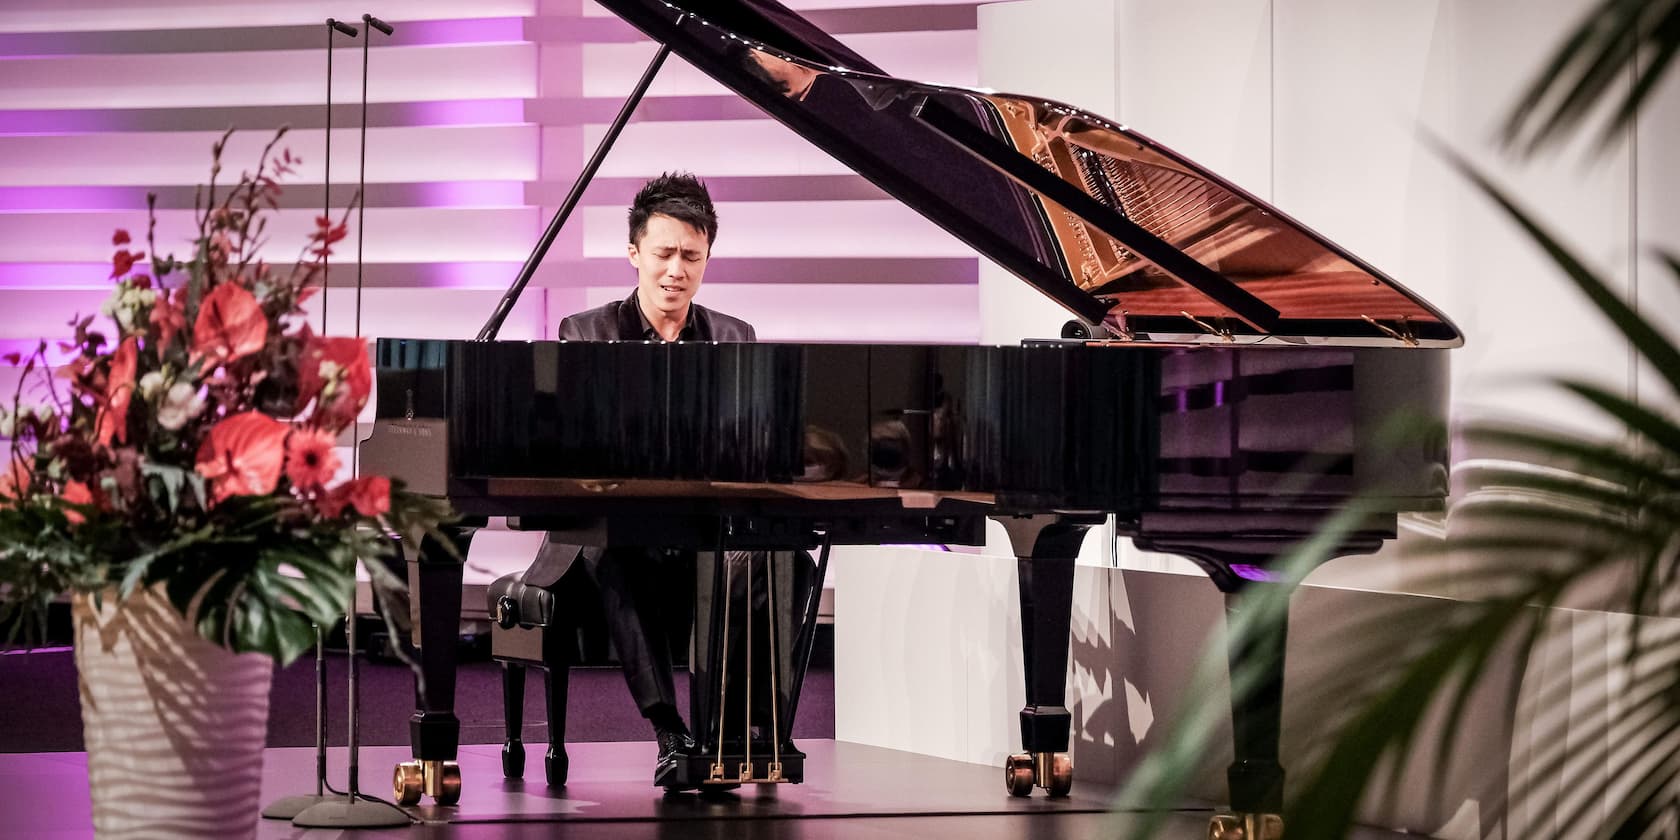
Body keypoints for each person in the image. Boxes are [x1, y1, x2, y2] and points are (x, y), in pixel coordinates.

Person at [535, 173, 755, 785]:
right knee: (620, 552)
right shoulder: (587, 333)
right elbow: (573, 446)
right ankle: (670, 729)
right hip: (604, 531)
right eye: (663, 254)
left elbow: (748, 445)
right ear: (634, 253)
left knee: (779, 559)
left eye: (691, 256)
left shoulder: (735, 338)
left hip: (696, 525)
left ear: (708, 257)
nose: (675, 270)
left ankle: (746, 729)